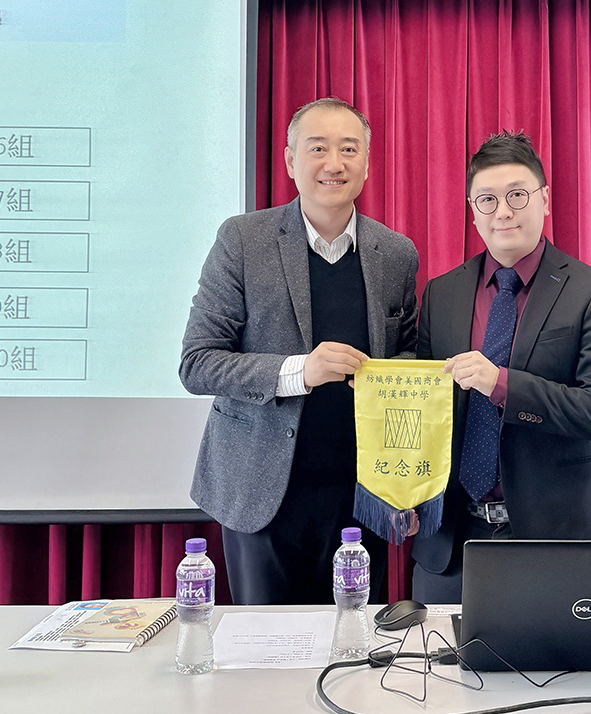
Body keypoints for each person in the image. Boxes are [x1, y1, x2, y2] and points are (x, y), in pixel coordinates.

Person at [180, 98, 419, 605]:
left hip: (362, 499)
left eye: (349, 149)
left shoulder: (396, 254)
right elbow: (198, 363)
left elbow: (409, 366)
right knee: (266, 647)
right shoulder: (243, 240)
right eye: (318, 148)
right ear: (291, 161)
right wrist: (300, 371)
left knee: (354, 642)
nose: (334, 163)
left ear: (367, 164)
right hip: (261, 492)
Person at [411, 131, 591, 603]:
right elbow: (427, 413)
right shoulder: (441, 294)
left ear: (544, 200)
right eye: (487, 200)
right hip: (452, 547)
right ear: (473, 211)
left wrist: (503, 385)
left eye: (517, 195)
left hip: (558, 543)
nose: (503, 212)